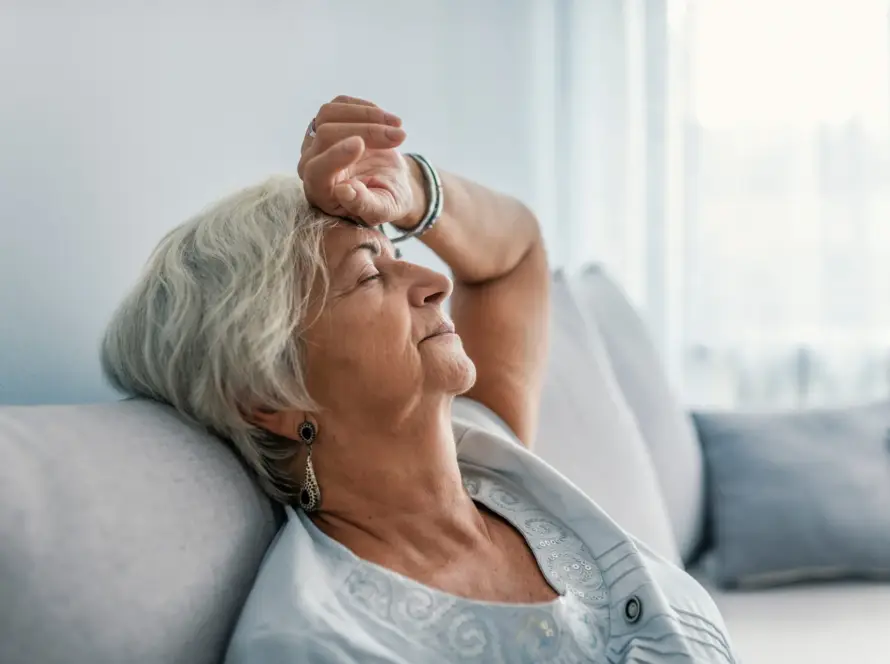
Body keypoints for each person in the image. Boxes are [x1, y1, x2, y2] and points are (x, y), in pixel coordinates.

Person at [101, 95, 736, 663]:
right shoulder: (321, 643)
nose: (438, 283)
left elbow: (512, 254)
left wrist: (408, 190)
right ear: (268, 393)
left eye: (400, 255)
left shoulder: (489, 448)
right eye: (370, 274)